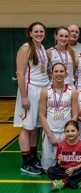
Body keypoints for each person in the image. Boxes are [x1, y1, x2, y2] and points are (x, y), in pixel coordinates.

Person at [13, 22, 49, 175]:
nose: (39, 34)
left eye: (41, 31)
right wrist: (24, 96)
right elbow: (20, 73)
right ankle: (26, 162)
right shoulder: (25, 48)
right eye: (36, 31)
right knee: (27, 126)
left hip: (41, 89)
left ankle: (33, 157)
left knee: (36, 126)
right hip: (30, 89)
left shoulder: (41, 49)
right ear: (30, 33)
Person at [39, 62, 78, 171]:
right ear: (51, 74)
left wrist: (69, 134)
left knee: (67, 167)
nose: (59, 74)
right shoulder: (45, 92)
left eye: (62, 71)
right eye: (56, 71)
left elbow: (75, 115)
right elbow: (41, 115)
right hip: (50, 133)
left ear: (66, 73)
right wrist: (50, 135)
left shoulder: (73, 92)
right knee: (47, 169)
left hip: (67, 134)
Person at [47, 120, 81, 191]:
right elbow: (58, 164)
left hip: (77, 169)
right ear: (64, 132)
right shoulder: (61, 145)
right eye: (67, 131)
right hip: (65, 171)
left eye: (73, 131)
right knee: (50, 170)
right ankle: (77, 180)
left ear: (78, 132)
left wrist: (74, 168)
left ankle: (64, 182)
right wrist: (60, 161)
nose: (70, 133)